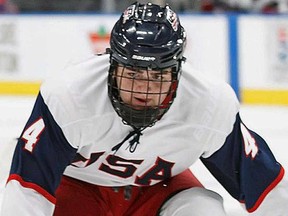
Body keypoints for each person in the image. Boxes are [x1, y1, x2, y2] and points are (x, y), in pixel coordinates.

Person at [1, 2, 288, 216]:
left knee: (204, 210)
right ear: (111, 65)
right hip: (76, 187)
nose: (143, 89)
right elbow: (27, 191)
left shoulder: (209, 105)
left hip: (157, 190)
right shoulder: (70, 95)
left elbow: (266, 188)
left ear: (177, 71)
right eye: (134, 73)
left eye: (158, 75)